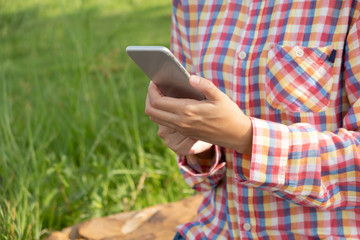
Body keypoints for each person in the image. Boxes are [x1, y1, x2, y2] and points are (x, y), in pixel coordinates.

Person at [145, 1, 360, 239]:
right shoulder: (192, 5)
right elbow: (205, 177)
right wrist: (198, 143)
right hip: (216, 229)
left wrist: (246, 138)